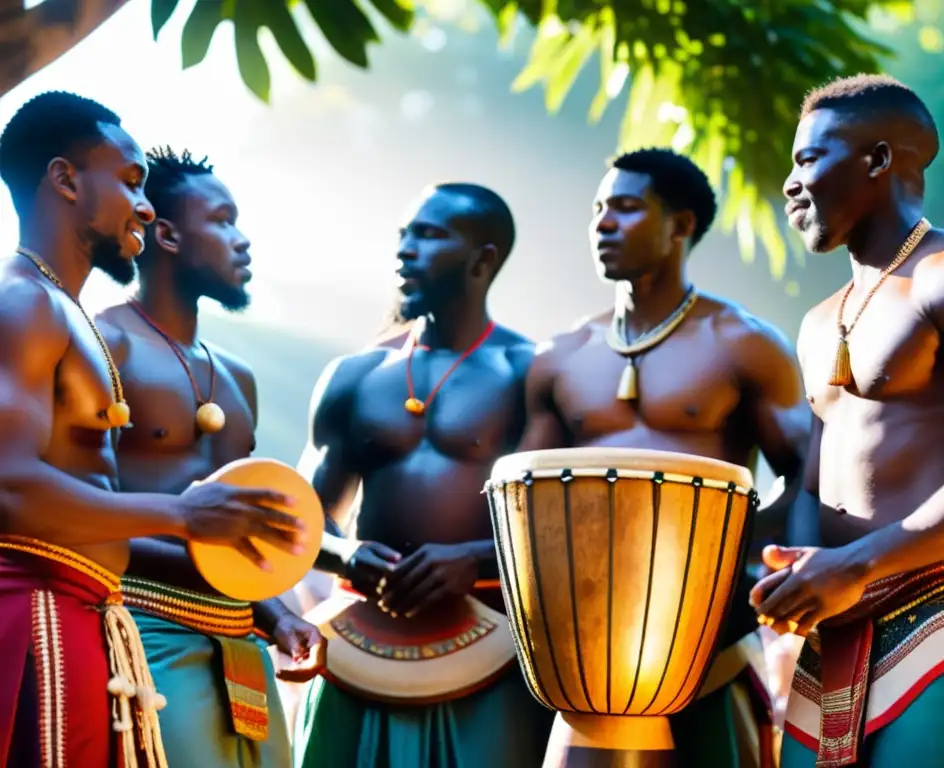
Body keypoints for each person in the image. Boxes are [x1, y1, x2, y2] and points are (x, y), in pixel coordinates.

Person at [0, 92, 304, 767]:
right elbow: (9, 488)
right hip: (41, 610)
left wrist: (277, 609)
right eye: (132, 184)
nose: (144, 206)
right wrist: (183, 515)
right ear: (66, 180)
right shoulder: (24, 301)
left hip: (93, 616)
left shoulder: (64, 312)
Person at [751, 73, 944, 767]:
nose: (789, 183)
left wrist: (855, 563)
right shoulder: (818, 323)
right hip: (836, 636)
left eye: (807, 159)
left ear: (876, 161)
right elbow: (811, 490)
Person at [517, 147, 811, 767]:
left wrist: (720, 552)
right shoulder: (560, 354)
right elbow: (517, 502)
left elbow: (808, 472)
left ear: (680, 225)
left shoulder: (744, 343)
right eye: (598, 209)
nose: (602, 223)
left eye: (625, 208)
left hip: (711, 646)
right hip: (582, 660)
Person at [291, 182, 553, 767]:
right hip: (357, 643)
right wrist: (345, 555)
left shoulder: (531, 372)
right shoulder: (354, 374)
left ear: (484, 260)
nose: (404, 250)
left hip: (492, 650)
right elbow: (301, 517)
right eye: (403, 235)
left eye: (429, 235)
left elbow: (563, 527)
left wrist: (475, 559)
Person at [94, 146, 326, 767]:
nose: (242, 241)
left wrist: (277, 617)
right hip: (145, 632)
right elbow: (76, 510)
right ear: (165, 234)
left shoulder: (238, 377)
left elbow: (241, 532)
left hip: (243, 647)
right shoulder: (103, 345)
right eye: (223, 221)